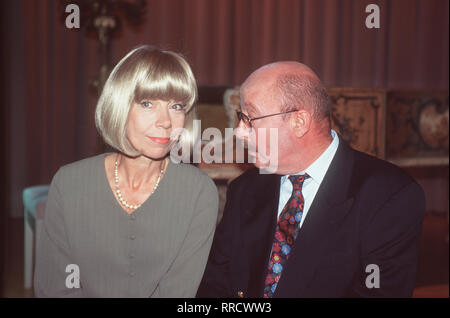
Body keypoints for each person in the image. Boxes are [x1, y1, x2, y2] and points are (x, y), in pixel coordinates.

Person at [197, 61, 426, 298]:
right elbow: (215, 286)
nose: (239, 132)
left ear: (299, 122)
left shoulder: (389, 198)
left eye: (250, 118)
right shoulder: (245, 189)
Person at [35, 46, 219, 297]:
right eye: (147, 103)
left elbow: (178, 293)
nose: (165, 121)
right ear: (119, 106)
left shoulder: (199, 192)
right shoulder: (69, 183)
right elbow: (55, 287)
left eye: (176, 106)